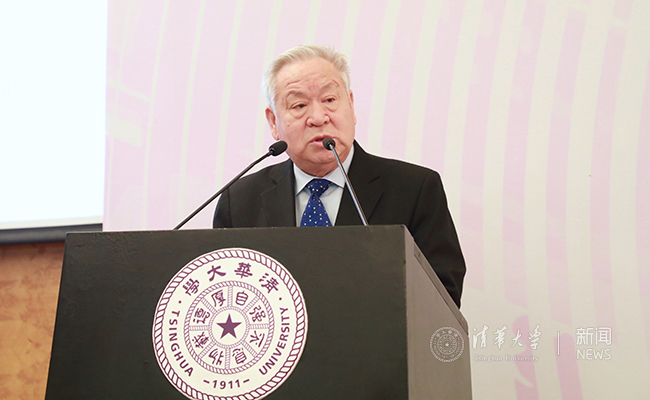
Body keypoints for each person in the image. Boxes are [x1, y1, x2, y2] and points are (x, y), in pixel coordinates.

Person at [213, 45, 466, 307]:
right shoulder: (239, 202)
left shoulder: (414, 190)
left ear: (351, 106)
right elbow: (225, 297)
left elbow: (442, 297)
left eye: (330, 100)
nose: (318, 117)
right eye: (299, 105)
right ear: (274, 122)